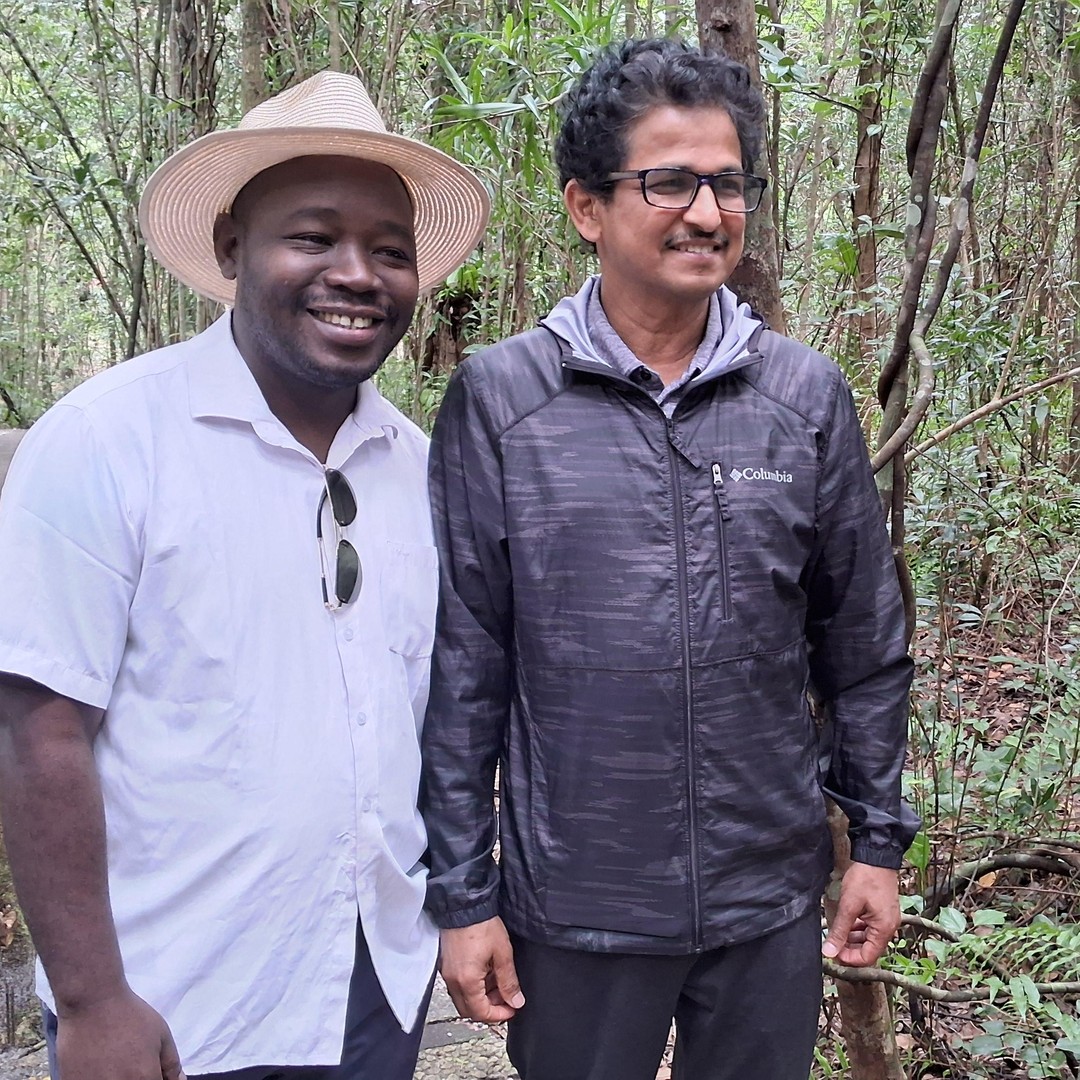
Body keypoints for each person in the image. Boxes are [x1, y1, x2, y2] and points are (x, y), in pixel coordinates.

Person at [420, 37, 917, 1080]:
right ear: (587, 207)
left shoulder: (802, 398)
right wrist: (465, 897)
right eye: (670, 182)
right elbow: (464, 667)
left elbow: (864, 643)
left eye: (729, 184)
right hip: (577, 906)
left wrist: (876, 844)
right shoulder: (504, 402)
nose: (706, 212)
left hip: (764, 901)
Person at [0, 70, 488, 1080]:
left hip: (372, 989)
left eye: (390, 251)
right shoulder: (107, 441)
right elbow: (35, 728)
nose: (356, 275)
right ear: (232, 249)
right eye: (312, 238)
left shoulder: (418, 467)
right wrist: (92, 1001)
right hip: (174, 1003)